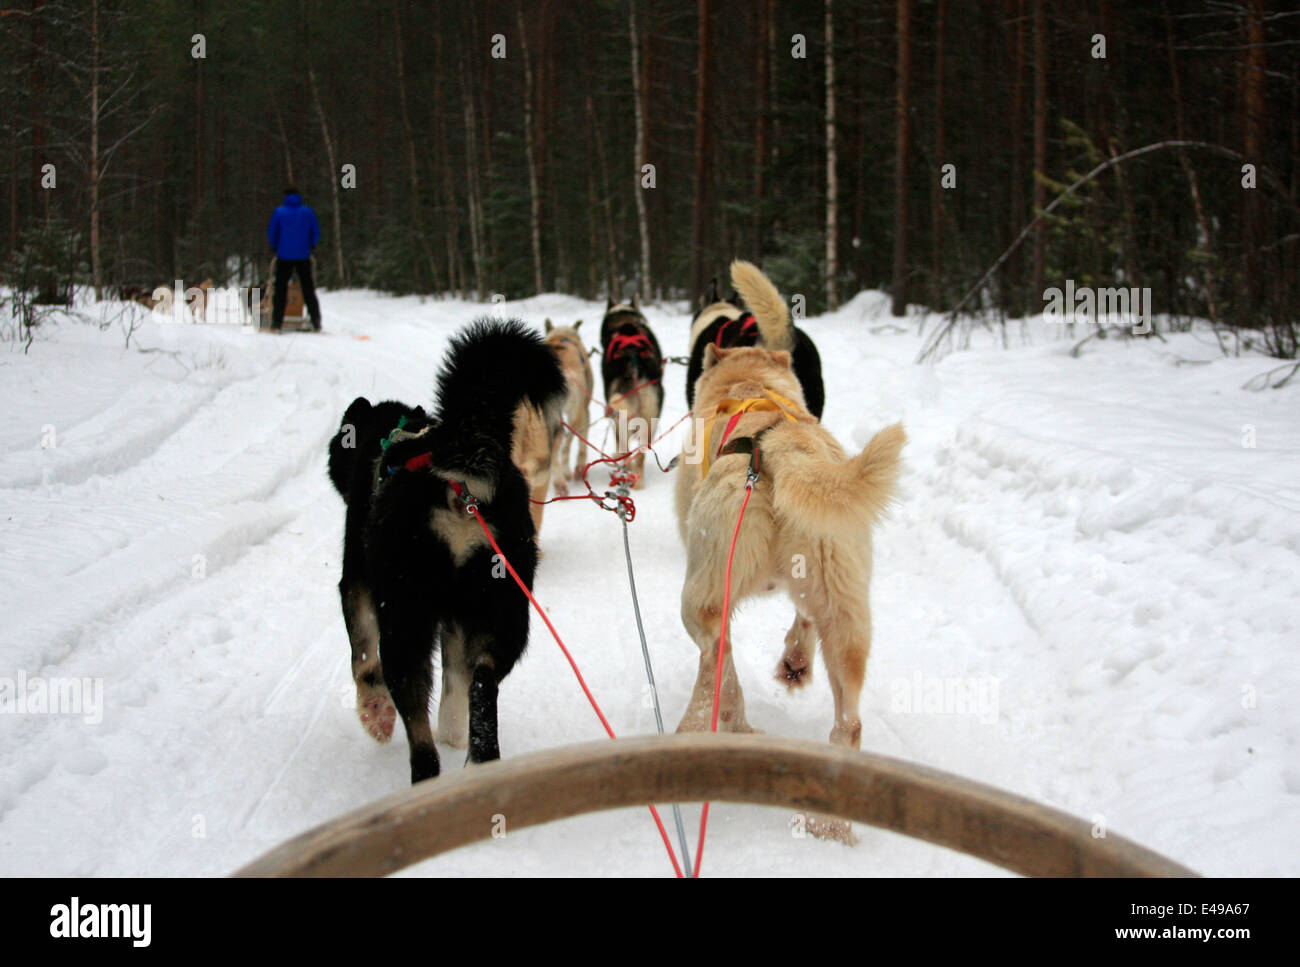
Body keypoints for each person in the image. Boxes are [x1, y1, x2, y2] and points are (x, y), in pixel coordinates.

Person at [266, 185, 322, 332]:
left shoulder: (279, 212)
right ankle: (316, 321)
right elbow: (315, 232)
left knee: (280, 289)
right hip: (303, 255)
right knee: (308, 288)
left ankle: (277, 323)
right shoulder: (307, 212)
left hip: (284, 255)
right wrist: (311, 245)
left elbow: (272, 232)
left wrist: (274, 246)